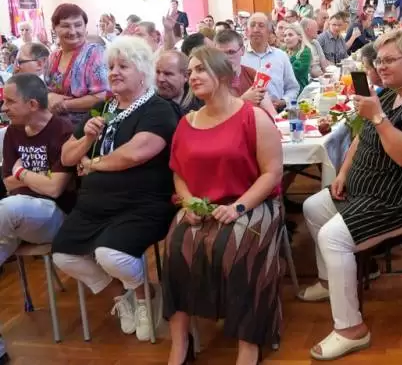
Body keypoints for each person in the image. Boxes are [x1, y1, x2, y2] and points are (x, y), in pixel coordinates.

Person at [297, 29, 402, 360]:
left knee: (332, 237)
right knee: (313, 207)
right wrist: (343, 172)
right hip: (366, 188)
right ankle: (330, 282)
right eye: (379, 61)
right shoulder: (390, 94)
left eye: (388, 61)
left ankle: (351, 329)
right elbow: (362, 137)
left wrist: (378, 116)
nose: (380, 67)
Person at [52, 36, 178, 342]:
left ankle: (145, 294)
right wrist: (86, 139)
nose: (114, 72)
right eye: (110, 67)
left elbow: (134, 154)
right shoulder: (103, 109)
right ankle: (123, 296)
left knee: (110, 255)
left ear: (143, 71)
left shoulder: (158, 109)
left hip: (142, 204)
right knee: (64, 255)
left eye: (123, 66)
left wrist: (92, 164)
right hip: (94, 205)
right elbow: (66, 157)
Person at [163, 47, 283, 365]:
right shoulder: (187, 122)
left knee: (237, 245)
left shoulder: (253, 117)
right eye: (190, 71)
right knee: (176, 246)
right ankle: (180, 343)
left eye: (201, 69)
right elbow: (178, 174)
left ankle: (249, 343)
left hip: (252, 202)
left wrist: (238, 208)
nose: (193, 76)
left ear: (223, 74)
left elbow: (272, 174)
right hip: (203, 204)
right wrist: (189, 202)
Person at [0, 74, 75, 264]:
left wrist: (21, 173)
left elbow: (54, 189)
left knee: (10, 208)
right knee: (10, 209)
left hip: (55, 214)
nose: (3, 108)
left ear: (32, 104)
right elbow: (7, 182)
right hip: (17, 216)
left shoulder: (62, 130)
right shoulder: (13, 131)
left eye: (10, 101)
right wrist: (41, 178)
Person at [45, 4, 110, 126]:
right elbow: (45, 88)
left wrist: (64, 104)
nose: (72, 31)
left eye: (78, 25)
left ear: (85, 27)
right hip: (55, 125)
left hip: (87, 127)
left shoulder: (95, 53)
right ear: (54, 28)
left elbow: (103, 96)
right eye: (65, 26)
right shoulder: (53, 57)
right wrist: (49, 97)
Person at [241, 13, 299, 112]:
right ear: (246, 31)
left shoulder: (281, 56)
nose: (256, 29)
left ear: (269, 32)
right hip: (246, 113)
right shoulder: (239, 56)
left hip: (276, 112)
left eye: (261, 26)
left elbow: (293, 88)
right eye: (252, 25)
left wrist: (283, 101)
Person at [215, 29, 278, 117]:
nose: (226, 58)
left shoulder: (252, 74)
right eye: (221, 54)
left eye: (231, 52)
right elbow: (215, 117)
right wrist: (243, 100)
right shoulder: (211, 79)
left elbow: (271, 113)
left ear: (242, 50)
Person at [156, 50, 203, 117]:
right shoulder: (149, 105)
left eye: (167, 74)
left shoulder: (200, 105)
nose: (160, 79)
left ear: (185, 76)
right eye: (158, 72)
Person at [283, 23, 313, 89]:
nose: (287, 38)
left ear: (300, 37)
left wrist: (287, 59)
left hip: (299, 90)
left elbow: (295, 72)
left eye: (290, 35)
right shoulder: (282, 51)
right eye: (285, 36)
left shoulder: (305, 52)